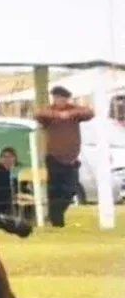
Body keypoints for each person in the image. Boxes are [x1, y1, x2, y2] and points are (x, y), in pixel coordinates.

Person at [34, 86, 94, 227]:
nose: (59, 100)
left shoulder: (74, 111)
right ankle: (57, 221)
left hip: (71, 159)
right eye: (57, 97)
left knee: (70, 190)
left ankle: (55, 215)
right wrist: (58, 115)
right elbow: (38, 113)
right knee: (54, 190)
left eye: (62, 98)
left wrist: (69, 113)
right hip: (54, 157)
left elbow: (89, 112)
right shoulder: (49, 112)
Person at [0, 147, 19, 215]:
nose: (7, 159)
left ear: (14, 158)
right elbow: (3, 185)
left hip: (17, 193)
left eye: (10, 157)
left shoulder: (18, 168)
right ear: (1, 159)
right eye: (4, 157)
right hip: (2, 197)